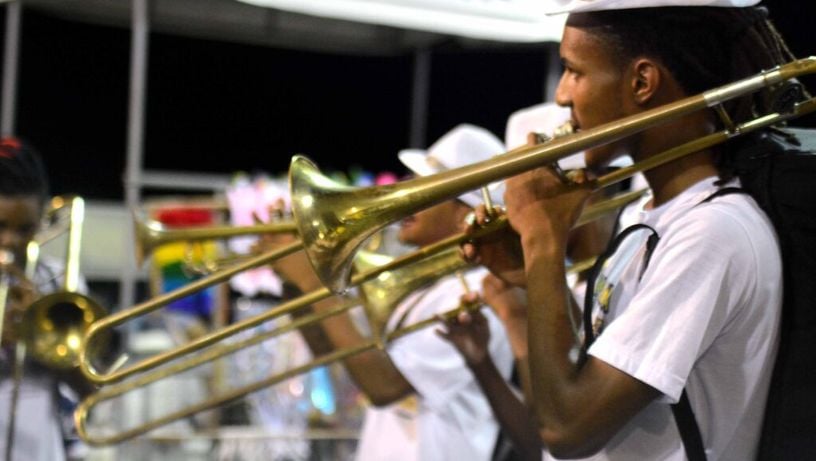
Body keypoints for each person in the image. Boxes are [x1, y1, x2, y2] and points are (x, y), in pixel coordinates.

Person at [463, 1, 792, 459]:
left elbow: (566, 428)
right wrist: (540, 272)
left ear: (641, 82)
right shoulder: (648, 214)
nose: (561, 95)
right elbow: (592, 367)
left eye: (574, 71)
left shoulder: (712, 232)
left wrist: (541, 237)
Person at [266, 124, 514, 461]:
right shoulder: (420, 291)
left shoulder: (475, 295)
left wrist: (312, 282)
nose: (405, 196)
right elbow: (329, 352)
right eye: (410, 181)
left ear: (466, 213)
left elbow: (384, 386)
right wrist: (293, 281)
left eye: (424, 188)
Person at [0, 137, 95, 461]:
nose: (10, 241)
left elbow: (91, 388)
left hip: (40, 444)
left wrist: (46, 338)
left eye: (25, 228)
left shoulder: (58, 280)